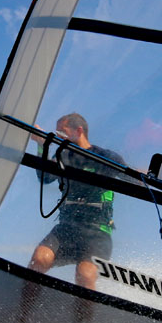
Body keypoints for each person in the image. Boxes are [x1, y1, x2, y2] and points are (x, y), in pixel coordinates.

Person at [28, 113, 126, 295]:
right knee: (38, 261)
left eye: (62, 132)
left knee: (85, 276)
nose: (57, 136)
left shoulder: (105, 156)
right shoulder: (63, 158)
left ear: (78, 131)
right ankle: (20, 320)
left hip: (98, 232)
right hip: (66, 228)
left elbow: (130, 178)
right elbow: (44, 178)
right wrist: (41, 146)